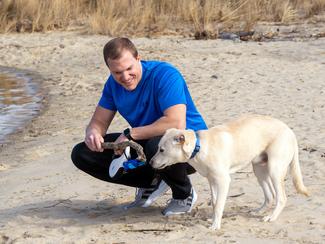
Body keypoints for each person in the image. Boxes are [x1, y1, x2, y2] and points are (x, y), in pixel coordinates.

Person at [71, 37, 207, 215]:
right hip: (146, 142)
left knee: (155, 145)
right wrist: (93, 134)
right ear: (110, 70)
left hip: (188, 146)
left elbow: (175, 122)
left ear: (138, 59)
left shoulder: (165, 75)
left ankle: (183, 194)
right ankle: (152, 183)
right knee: (82, 153)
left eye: (129, 68)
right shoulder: (113, 85)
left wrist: (130, 134)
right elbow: (99, 122)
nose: (125, 77)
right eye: (118, 72)